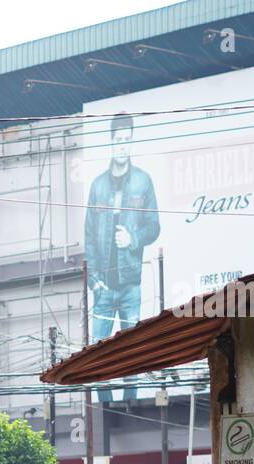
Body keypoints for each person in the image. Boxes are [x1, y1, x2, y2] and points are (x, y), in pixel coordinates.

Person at [84, 113, 161, 343]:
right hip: (103, 289)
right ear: (111, 142)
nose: (122, 146)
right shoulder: (97, 186)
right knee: (98, 359)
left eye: (127, 140)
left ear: (131, 142)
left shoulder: (143, 181)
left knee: (132, 357)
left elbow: (154, 227)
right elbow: (88, 236)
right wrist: (93, 280)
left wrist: (132, 239)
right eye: (118, 140)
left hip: (130, 287)